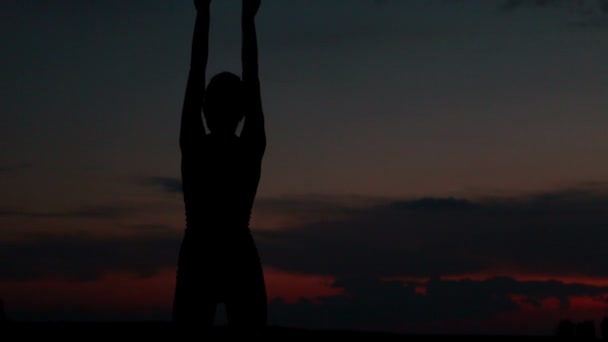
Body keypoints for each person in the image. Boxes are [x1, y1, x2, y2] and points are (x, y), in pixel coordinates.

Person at [172, 0, 267, 329]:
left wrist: (204, 12)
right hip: (236, 253)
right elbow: (251, 76)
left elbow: (196, 70)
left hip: (200, 252)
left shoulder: (195, 144)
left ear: (205, 109)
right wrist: (246, 18)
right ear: (241, 114)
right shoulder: (250, 147)